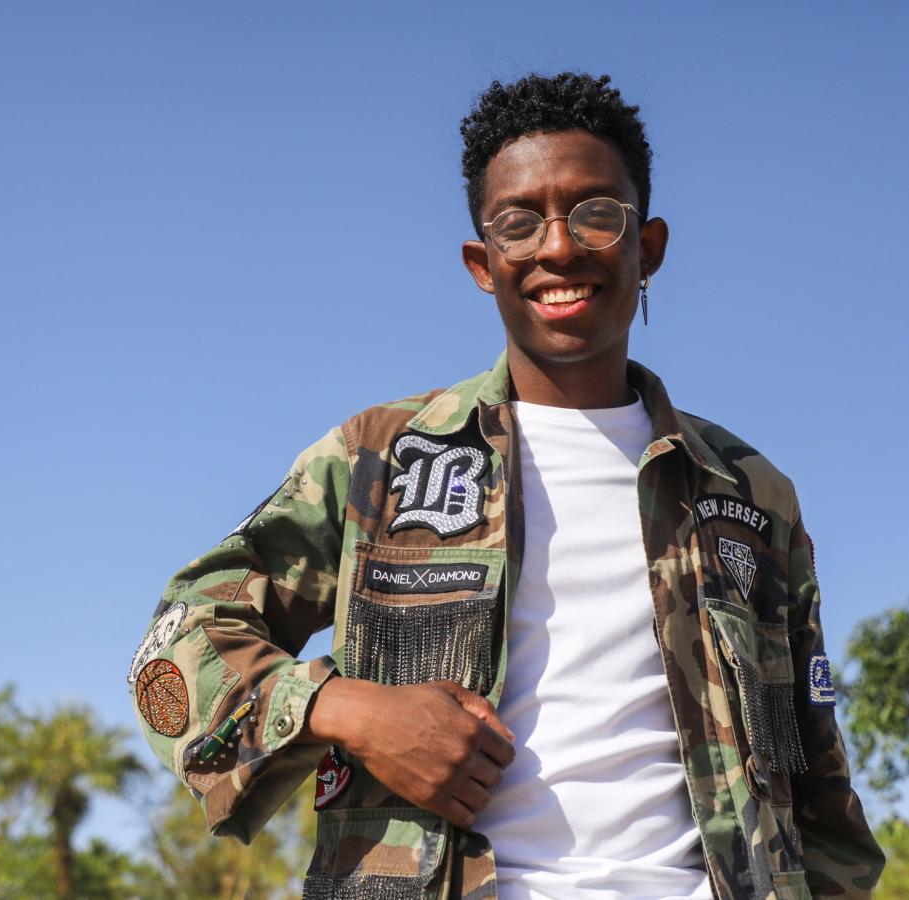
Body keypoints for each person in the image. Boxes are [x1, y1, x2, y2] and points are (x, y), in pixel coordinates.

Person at [126, 72, 884, 899]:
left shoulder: (747, 495)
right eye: (518, 224)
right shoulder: (379, 459)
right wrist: (345, 708)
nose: (557, 247)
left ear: (649, 246)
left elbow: (818, 786)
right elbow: (180, 636)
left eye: (596, 213)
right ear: (482, 264)